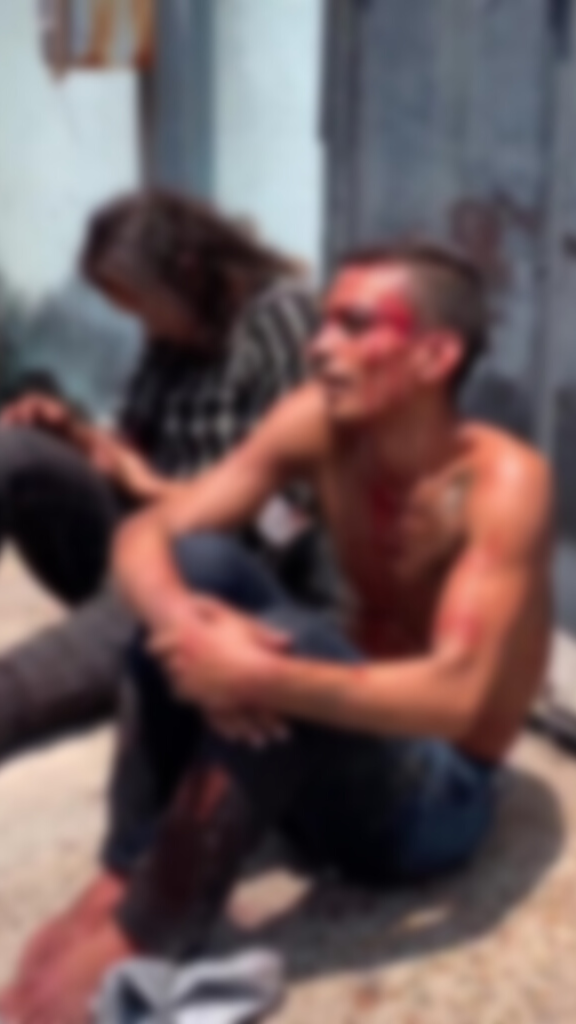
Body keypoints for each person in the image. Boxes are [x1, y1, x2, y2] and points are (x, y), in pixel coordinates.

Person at [1, 243, 553, 1024]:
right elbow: (150, 532)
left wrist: (258, 676)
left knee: (291, 641)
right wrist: (183, 623)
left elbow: (458, 697)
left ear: (435, 356)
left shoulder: (504, 483)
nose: (318, 346)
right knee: (202, 564)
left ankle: (150, 928)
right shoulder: (318, 422)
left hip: (433, 803)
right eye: (323, 323)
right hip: (335, 750)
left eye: (354, 325)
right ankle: (126, 868)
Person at [0, 190, 317, 756]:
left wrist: (154, 489)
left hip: (224, 567)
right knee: (17, 451)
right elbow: (131, 448)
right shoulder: (172, 339)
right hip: (142, 537)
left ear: (187, 271)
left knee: (170, 571)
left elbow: (290, 516)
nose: (135, 319)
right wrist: (75, 438)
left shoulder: (280, 321)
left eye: (138, 301)